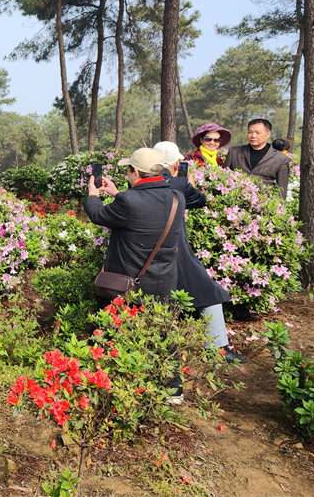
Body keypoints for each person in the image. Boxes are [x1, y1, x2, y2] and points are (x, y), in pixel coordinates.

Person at [153, 141, 246, 364]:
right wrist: (189, 184)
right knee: (210, 292)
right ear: (177, 163)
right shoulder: (179, 183)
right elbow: (199, 201)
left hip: (145, 255)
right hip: (177, 251)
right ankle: (217, 349)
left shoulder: (141, 184)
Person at [84, 148, 185, 303]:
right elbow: (146, 210)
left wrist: (93, 195)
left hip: (129, 287)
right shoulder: (177, 198)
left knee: (122, 326)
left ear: (136, 172)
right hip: (164, 286)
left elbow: (98, 215)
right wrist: (117, 193)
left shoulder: (128, 201)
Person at [224, 118, 290, 199]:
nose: (253, 136)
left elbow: (282, 191)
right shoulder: (234, 152)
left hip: (263, 205)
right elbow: (224, 178)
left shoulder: (281, 159)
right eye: (250, 132)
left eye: (258, 133)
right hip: (235, 203)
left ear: (268, 134)